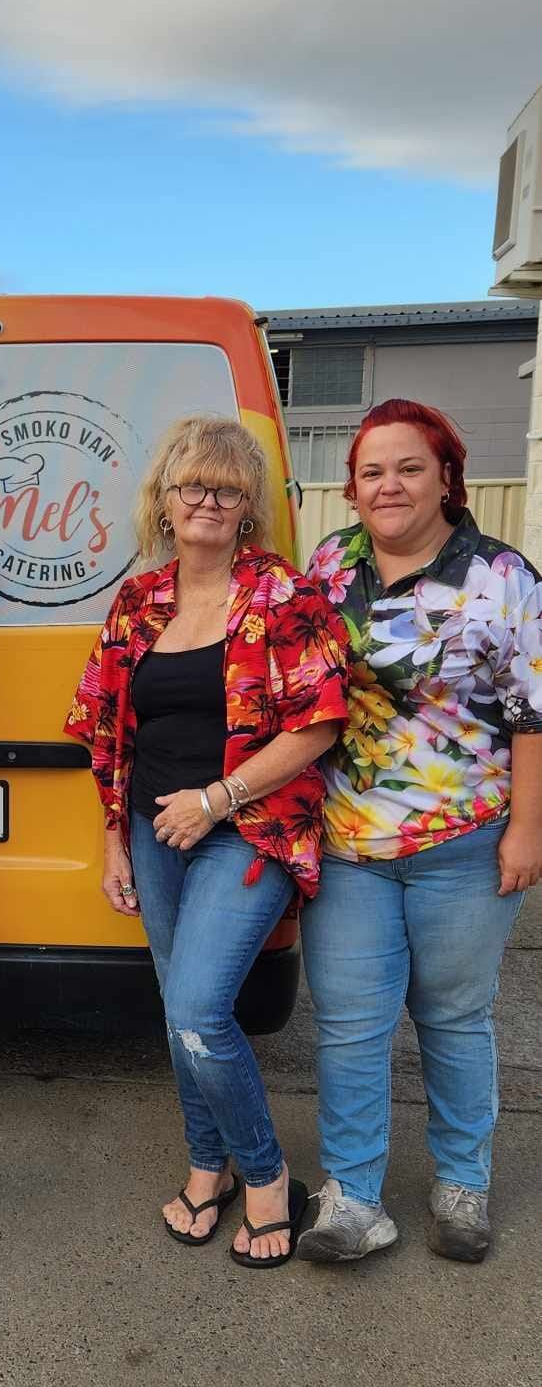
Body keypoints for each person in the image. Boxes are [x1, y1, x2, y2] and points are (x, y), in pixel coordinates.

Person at [65, 415, 348, 1267]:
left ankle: (265, 1178)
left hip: (250, 831)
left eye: (226, 488)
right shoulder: (138, 600)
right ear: (166, 497)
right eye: (194, 484)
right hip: (155, 833)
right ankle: (206, 1164)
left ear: (248, 503)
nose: (209, 501)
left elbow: (320, 723)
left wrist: (217, 798)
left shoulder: (282, 596)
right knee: (178, 1011)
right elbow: (108, 730)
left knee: (197, 1009)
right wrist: (117, 840)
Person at [297, 398, 542, 1266]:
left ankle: (462, 1184)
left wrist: (527, 830)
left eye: (409, 467)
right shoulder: (329, 566)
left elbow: (529, 712)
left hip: (467, 840)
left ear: (447, 476)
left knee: (455, 1017)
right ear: (353, 490)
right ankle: (355, 1199)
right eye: (372, 471)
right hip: (349, 843)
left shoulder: (501, 577)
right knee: (350, 1026)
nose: (390, 484)